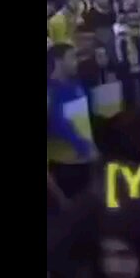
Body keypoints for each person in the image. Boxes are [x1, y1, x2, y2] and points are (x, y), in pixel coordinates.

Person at [47, 43, 98, 201]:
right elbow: (58, 125)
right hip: (63, 167)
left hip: (85, 162)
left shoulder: (77, 86)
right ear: (58, 61)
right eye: (72, 57)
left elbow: (84, 121)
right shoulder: (51, 93)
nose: (77, 61)